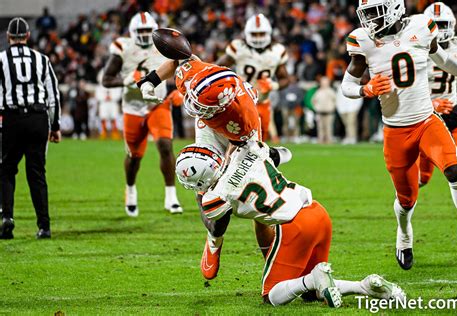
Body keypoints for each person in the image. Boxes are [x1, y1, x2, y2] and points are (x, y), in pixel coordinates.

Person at [174, 142, 405, 307]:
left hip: (294, 225)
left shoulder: (214, 197)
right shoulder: (245, 149)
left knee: (271, 296)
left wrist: (200, 196)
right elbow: (284, 154)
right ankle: (365, 287)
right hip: (318, 212)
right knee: (312, 294)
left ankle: (314, 277)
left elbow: (215, 227)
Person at [341, 0, 457, 269]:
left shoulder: (421, 26)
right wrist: (366, 90)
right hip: (395, 131)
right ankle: (404, 234)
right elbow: (347, 85)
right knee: (406, 200)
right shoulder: (362, 41)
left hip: (427, 122)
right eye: (366, 15)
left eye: (374, 13)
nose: (369, 21)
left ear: (393, 8)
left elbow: (445, 60)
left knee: (456, 171)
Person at [138, 51, 291, 280]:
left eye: (201, 106)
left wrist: (226, 174)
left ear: (220, 105)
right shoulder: (197, 76)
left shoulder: (242, 118)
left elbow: (237, 150)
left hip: (242, 141)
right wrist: (150, 80)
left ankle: (274, 270)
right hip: (212, 129)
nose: (193, 107)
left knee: (257, 206)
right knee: (204, 175)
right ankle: (214, 238)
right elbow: (177, 58)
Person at [102, 12, 183, 216]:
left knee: (165, 146)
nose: (146, 35)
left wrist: (181, 91)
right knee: (134, 156)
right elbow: (106, 79)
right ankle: (130, 190)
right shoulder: (123, 47)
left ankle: (171, 196)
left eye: (148, 30)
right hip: (133, 108)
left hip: (159, 104)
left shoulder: (165, 45)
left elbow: (184, 70)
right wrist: (127, 79)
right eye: (141, 31)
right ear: (132, 32)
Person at [1, 17, 61, 239]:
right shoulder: (42, 59)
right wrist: (55, 126)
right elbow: (53, 95)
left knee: (6, 170)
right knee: (36, 173)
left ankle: (7, 217)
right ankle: (44, 226)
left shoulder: (1, 59)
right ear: (27, 36)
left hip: (11, 118)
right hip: (38, 118)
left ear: (9, 37)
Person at [420, 2, 457, 250]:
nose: (440, 30)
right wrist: (430, 104)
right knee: (418, 179)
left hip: (450, 119)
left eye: (444, 25)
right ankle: (404, 234)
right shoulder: (415, 47)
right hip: (421, 120)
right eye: (436, 24)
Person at [216, 13, 290, 142]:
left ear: (268, 33)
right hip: (240, 101)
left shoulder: (278, 51)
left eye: (261, 34)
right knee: (237, 141)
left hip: (262, 102)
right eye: (254, 34)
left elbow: (285, 79)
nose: (258, 38)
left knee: (260, 145)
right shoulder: (238, 47)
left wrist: (273, 85)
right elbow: (216, 69)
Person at [96, 70, 122, 140]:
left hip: (113, 103)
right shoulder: (100, 86)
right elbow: (98, 96)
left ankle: (115, 133)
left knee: (114, 118)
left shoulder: (115, 85)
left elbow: (118, 95)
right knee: (103, 118)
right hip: (104, 103)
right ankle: (103, 133)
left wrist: (111, 97)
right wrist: (105, 97)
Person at [312, 77, 337, 144]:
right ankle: (321, 140)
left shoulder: (331, 91)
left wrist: (332, 107)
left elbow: (335, 100)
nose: (324, 83)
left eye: (326, 82)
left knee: (329, 127)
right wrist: (316, 108)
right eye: (323, 82)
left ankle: (329, 140)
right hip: (320, 112)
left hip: (329, 113)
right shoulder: (318, 91)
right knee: (320, 128)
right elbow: (313, 101)